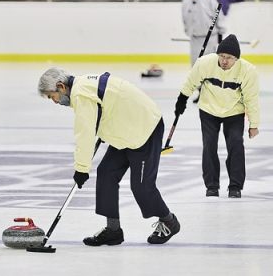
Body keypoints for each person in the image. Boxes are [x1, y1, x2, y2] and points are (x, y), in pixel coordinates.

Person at [37, 67, 180, 246]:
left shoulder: (81, 94)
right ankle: (113, 230)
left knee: (142, 187)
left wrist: (81, 169)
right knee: (106, 173)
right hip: (126, 128)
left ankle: (169, 221)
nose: (55, 102)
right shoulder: (83, 85)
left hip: (145, 129)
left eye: (52, 96)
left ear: (61, 86)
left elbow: (85, 133)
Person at [174, 34, 260, 198]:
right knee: (209, 145)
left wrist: (254, 124)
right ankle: (212, 185)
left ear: (237, 59)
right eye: (221, 56)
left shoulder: (248, 71)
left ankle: (235, 185)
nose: (224, 61)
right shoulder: (205, 63)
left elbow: (252, 99)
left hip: (234, 111)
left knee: (235, 143)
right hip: (208, 109)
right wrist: (181, 100)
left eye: (229, 58)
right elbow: (190, 81)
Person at [182, 0, 227, 103]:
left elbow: (219, 15)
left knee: (211, 66)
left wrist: (221, 31)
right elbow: (184, 19)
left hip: (210, 38)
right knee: (196, 67)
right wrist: (189, 32)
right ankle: (201, 92)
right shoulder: (185, 2)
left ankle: (213, 93)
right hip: (195, 39)